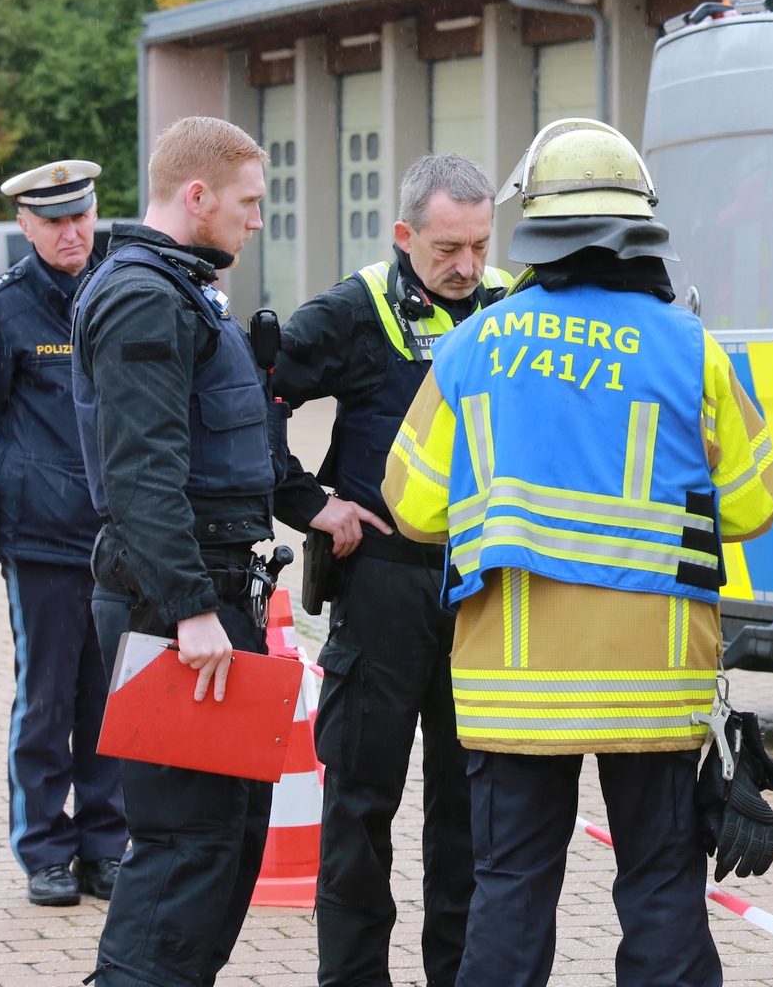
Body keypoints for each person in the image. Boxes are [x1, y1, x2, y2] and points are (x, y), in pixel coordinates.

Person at [382, 118, 773, 987]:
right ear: (642, 224)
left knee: (511, 892)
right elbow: (755, 508)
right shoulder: (691, 350)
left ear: (535, 226)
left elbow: (411, 509)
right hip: (656, 683)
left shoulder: (471, 347)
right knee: (662, 890)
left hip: (513, 686)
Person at [75, 117, 310, 987]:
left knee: (226, 836)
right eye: (249, 204)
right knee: (185, 845)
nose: (257, 221)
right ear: (197, 195)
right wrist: (190, 611)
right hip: (171, 603)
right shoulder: (143, 296)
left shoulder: (181, 289)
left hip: (210, 592)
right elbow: (139, 475)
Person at [269, 153, 512, 987]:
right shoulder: (351, 311)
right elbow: (251, 405)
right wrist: (309, 504)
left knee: (472, 810)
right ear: (405, 234)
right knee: (360, 805)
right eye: (448, 248)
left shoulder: (514, 309)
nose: (469, 267)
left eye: (480, 245)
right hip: (381, 584)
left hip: (482, 593)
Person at [0, 160, 124, 907]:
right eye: (53, 221)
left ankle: (107, 844)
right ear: (25, 226)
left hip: (117, 538)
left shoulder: (121, 289)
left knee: (107, 698)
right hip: (40, 537)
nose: (71, 232)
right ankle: (44, 849)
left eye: (80, 216)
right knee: (45, 698)